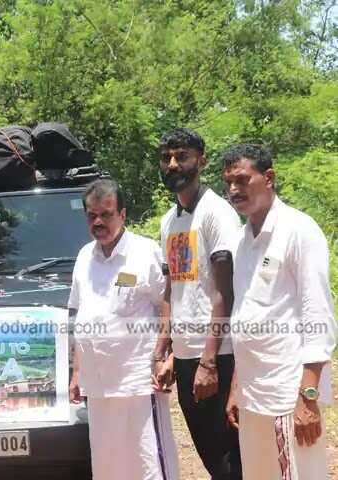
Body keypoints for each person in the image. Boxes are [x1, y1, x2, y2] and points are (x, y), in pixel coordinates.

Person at [222, 144, 336, 479]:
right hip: (253, 392)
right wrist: (237, 386)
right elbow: (244, 313)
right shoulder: (241, 240)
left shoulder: (298, 230)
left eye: (242, 180)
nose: (233, 189)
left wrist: (308, 397)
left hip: (288, 393)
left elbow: (317, 314)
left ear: (269, 177)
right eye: (228, 182)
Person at [68, 179, 179, 480]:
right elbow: (80, 314)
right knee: (109, 464)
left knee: (149, 461)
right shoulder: (84, 257)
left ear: (123, 214)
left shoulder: (145, 252)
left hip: (138, 381)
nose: (98, 222)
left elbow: (167, 303)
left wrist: (164, 356)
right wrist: (77, 372)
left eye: (106, 214)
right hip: (98, 385)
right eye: (92, 216)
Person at [152, 128, 242, 480]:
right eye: (166, 158)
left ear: (201, 162)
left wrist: (209, 361)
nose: (173, 164)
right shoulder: (169, 221)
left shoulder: (217, 213)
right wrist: (165, 350)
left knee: (230, 456)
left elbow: (225, 294)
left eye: (182, 156)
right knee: (210, 455)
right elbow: (171, 289)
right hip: (187, 355)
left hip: (219, 355)